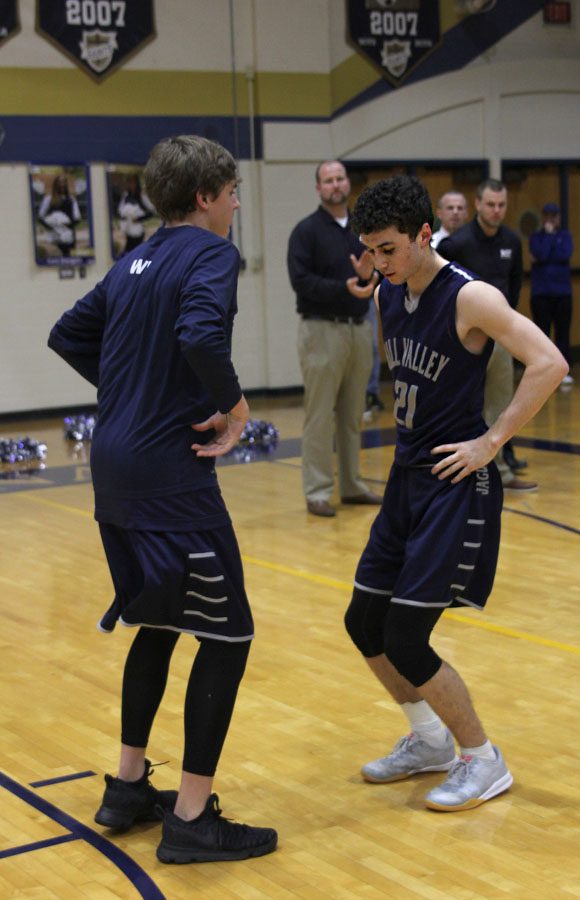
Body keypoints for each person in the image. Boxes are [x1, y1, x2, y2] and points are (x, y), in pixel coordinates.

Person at [47, 135, 277, 864]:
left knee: (158, 621)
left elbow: (67, 334)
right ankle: (190, 817)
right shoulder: (210, 254)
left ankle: (125, 788)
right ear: (205, 197)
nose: (237, 203)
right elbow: (203, 335)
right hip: (167, 479)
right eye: (233, 191)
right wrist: (235, 409)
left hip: (112, 467)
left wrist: (131, 392)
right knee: (229, 634)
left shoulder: (133, 260)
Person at [344, 175, 567, 812]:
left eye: (388, 249)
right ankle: (430, 741)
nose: (378, 264)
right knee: (365, 622)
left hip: (455, 486)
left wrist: (491, 442)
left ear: (422, 236)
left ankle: (482, 757)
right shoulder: (389, 295)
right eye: (370, 251)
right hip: (406, 478)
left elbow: (549, 362)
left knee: (409, 635)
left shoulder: (472, 297)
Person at [287, 160, 383, 517]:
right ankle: (317, 490)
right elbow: (301, 282)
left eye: (339, 178)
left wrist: (369, 278)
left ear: (348, 183)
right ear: (318, 189)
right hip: (321, 330)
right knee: (320, 414)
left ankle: (352, 485)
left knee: (352, 413)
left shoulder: (362, 230)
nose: (335, 185)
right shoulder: (306, 231)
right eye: (327, 180)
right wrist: (342, 288)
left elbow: (379, 272)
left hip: (360, 330)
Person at [438, 179, 535, 488]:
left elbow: (516, 283)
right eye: (490, 204)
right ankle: (461, 470)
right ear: (477, 204)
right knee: (466, 404)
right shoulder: (457, 243)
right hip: (466, 341)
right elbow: (442, 291)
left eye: (501, 205)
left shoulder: (511, 240)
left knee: (501, 403)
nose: (496, 210)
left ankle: (499, 472)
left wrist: (504, 324)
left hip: (501, 338)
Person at [529, 202, 574, 388]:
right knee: (542, 333)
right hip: (541, 293)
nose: (551, 219)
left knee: (562, 332)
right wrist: (548, 238)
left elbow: (565, 255)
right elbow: (541, 254)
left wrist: (547, 252)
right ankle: (543, 371)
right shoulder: (536, 237)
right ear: (543, 217)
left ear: (558, 217)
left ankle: (562, 372)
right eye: (547, 215)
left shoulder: (566, 236)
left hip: (563, 293)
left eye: (554, 215)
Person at [38, 173, 81, 257]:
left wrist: (67, 225)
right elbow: (40, 217)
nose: (62, 185)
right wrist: (51, 226)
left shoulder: (71, 199)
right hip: (54, 237)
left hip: (68, 237)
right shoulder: (49, 199)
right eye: (59, 182)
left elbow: (77, 218)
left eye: (63, 182)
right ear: (55, 185)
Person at [117, 172, 156, 255]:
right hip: (127, 230)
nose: (130, 184)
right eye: (129, 182)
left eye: (132, 182)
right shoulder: (126, 196)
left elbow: (152, 212)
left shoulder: (141, 196)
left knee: (135, 252)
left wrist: (139, 219)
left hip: (137, 232)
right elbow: (120, 210)